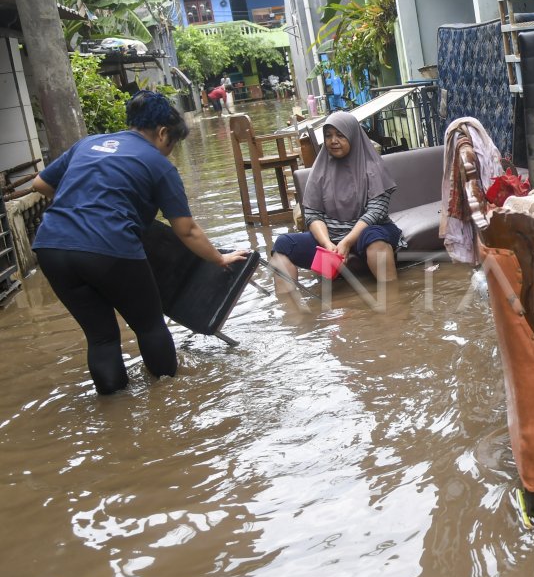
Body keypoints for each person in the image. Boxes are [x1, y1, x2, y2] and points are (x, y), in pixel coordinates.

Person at [31, 91, 248, 394]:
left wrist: (83, 204)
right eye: (172, 144)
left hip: (51, 247)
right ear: (162, 134)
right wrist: (219, 259)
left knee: (101, 337)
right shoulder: (157, 164)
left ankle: (115, 408)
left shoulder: (88, 144)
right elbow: (187, 230)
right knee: (148, 325)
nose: (169, 151)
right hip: (109, 247)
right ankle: (168, 397)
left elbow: (40, 183)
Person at [269, 111, 404, 290]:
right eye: (328, 136)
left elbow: (375, 212)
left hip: (367, 231)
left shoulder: (373, 167)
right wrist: (326, 244)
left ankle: (393, 303)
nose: (333, 141)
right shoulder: (319, 171)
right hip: (330, 237)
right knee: (282, 245)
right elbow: (312, 214)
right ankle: (291, 311)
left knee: (376, 240)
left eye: (340, 135)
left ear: (353, 136)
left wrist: (347, 241)